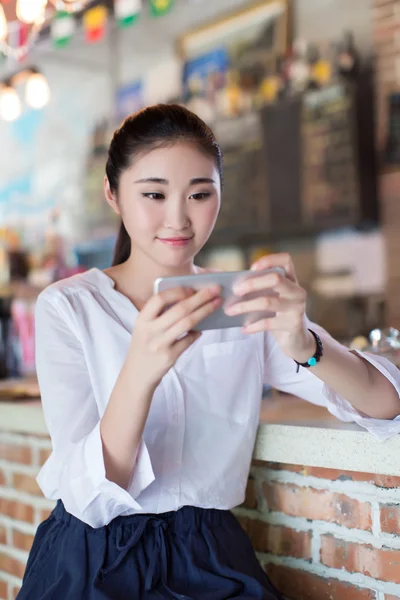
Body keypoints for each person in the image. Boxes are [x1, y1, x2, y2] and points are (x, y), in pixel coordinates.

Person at [17, 104, 400, 600]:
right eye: (154, 194)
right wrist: (140, 370)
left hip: (212, 555)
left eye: (200, 194)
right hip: (93, 559)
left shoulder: (243, 302)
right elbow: (90, 495)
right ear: (112, 194)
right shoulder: (69, 307)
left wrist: (305, 345)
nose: (178, 217)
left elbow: (386, 402)